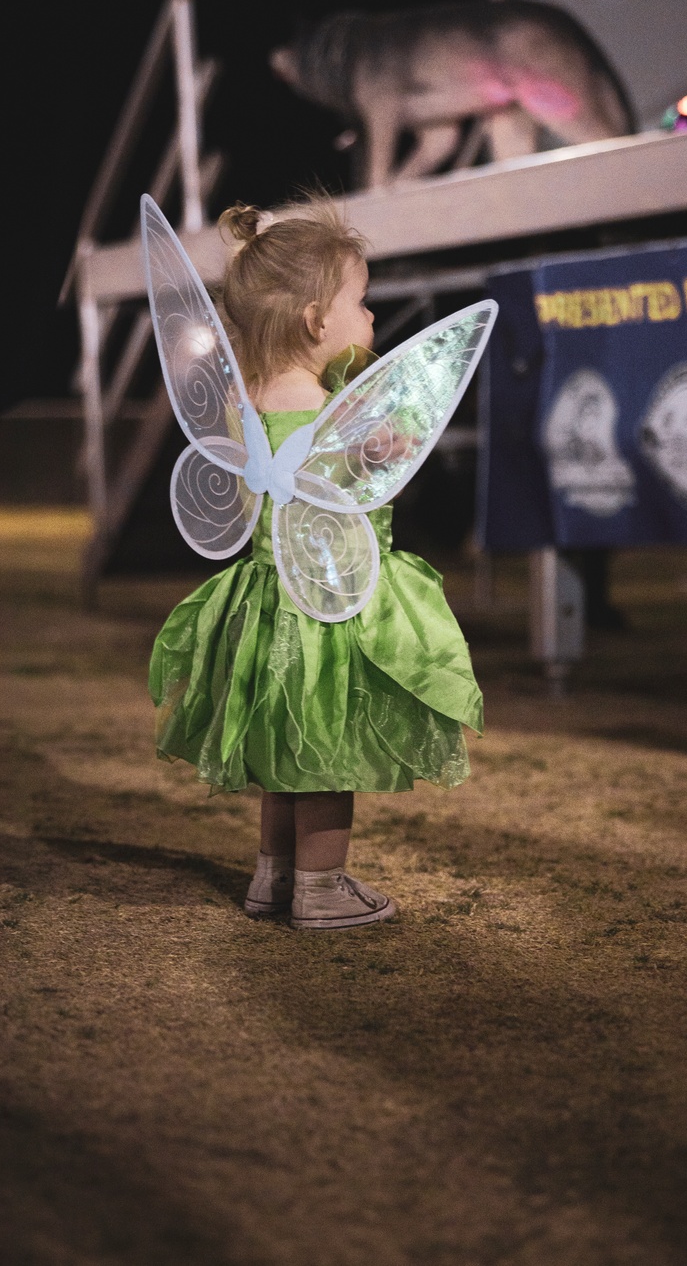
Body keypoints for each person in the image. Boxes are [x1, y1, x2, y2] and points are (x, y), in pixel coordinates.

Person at [148, 196, 483, 929]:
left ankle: (274, 877)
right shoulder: (338, 414)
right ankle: (323, 887)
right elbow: (369, 469)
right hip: (328, 606)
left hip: (266, 607)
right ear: (314, 322)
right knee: (327, 755)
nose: (369, 322)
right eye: (361, 306)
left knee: (283, 750)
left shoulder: (252, 403)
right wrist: (385, 442)